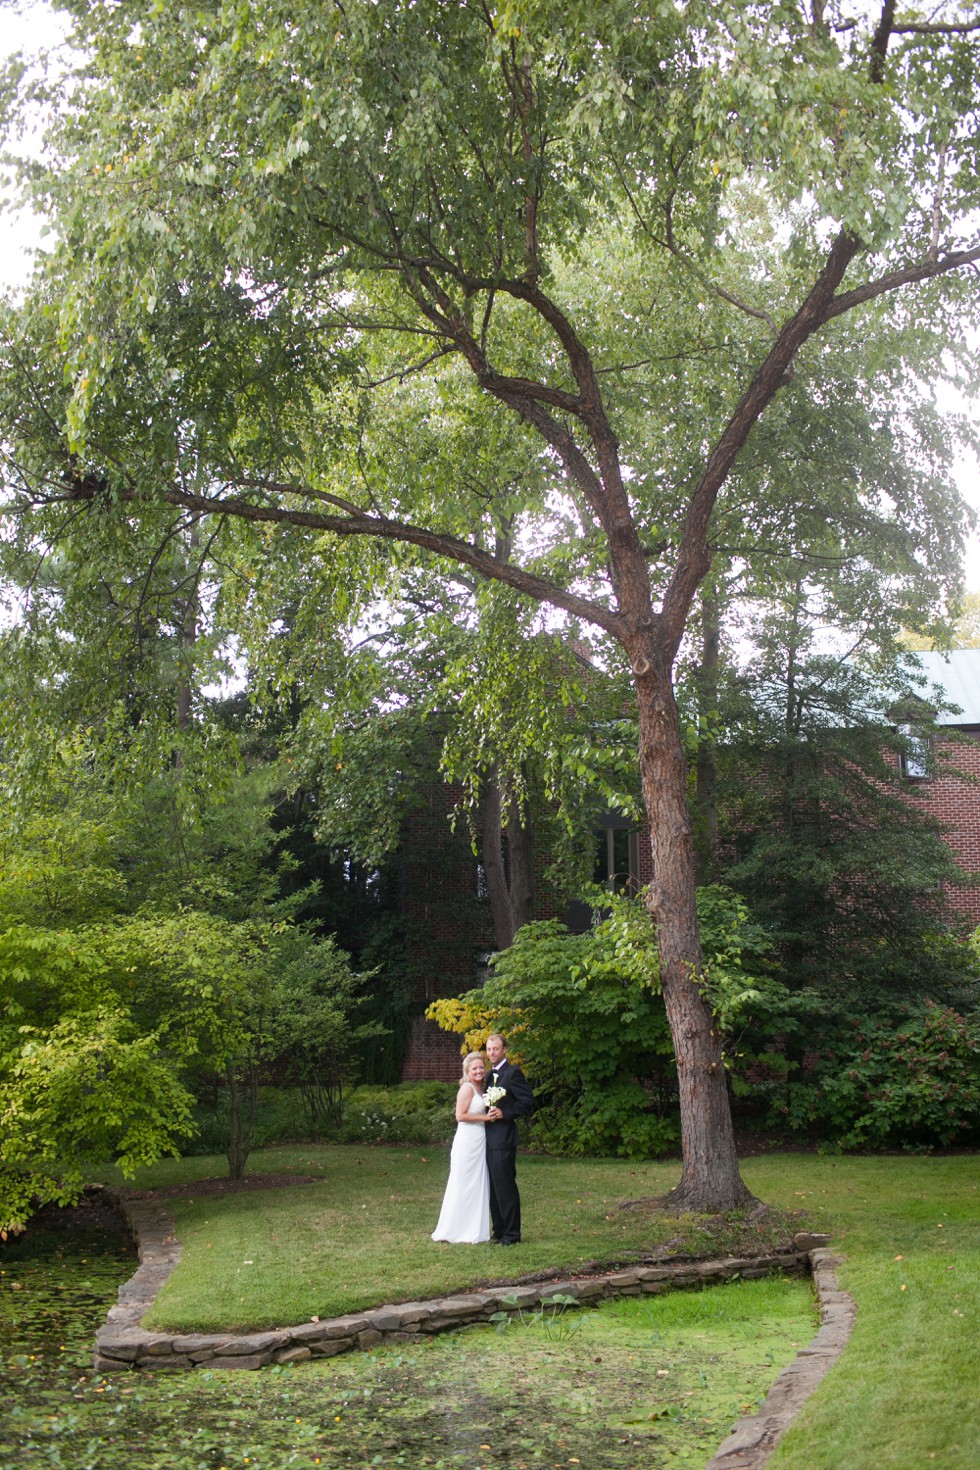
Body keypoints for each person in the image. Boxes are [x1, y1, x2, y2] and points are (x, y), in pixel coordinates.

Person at [431, 1052, 492, 1244]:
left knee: (477, 1183)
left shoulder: (482, 1088)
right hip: (467, 1140)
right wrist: (486, 1118)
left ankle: (474, 1229)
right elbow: (460, 1116)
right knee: (462, 1182)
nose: (479, 1071)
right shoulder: (467, 1089)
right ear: (467, 1071)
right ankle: (454, 1229)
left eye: (481, 1067)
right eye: (474, 1068)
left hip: (480, 1140)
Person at [483, 1032, 534, 1245]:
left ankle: (512, 1234)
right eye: (488, 1049)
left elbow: (527, 1102)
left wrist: (506, 1113)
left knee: (505, 1186)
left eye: (495, 1048)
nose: (491, 1053)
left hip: (504, 1138)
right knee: (493, 1187)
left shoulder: (513, 1073)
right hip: (486, 1139)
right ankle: (499, 1231)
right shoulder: (486, 1076)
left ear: (504, 1050)